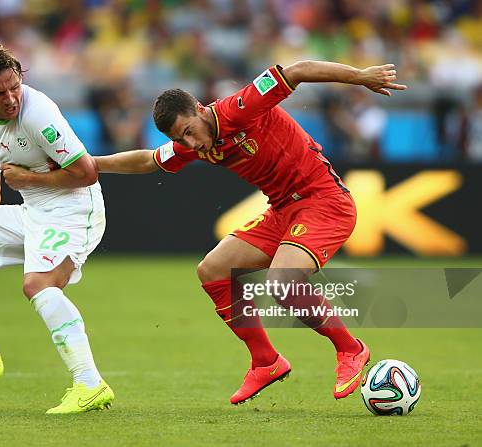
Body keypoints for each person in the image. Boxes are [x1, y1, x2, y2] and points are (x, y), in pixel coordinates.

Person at [95, 61, 406, 404]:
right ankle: (266, 361)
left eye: (188, 130)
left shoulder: (242, 106)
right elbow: (149, 160)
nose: (190, 142)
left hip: (324, 202)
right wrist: (92, 164)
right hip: (282, 211)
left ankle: (351, 350)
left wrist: (360, 77)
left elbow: (298, 71)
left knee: (281, 281)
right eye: (179, 138)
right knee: (212, 270)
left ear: (200, 109)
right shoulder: (192, 142)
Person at [0, 43, 114, 415]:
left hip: (75, 210)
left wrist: (27, 177)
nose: (11, 98)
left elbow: (86, 172)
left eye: (14, 87)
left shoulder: (38, 112)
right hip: (35, 210)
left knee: (37, 285)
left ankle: (90, 384)